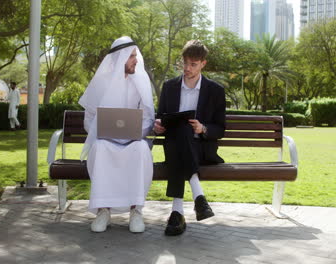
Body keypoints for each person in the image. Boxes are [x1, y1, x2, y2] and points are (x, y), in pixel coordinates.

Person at [78, 36, 155, 233]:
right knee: (101, 148)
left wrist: (137, 131)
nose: (135, 60)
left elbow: (147, 117)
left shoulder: (141, 81)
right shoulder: (101, 83)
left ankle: (135, 210)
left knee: (140, 149)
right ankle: (103, 210)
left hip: (133, 141)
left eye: (135, 56)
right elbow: (89, 119)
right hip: (105, 140)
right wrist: (103, 129)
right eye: (131, 56)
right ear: (118, 58)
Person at [153, 40, 226, 236]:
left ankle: (177, 213)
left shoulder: (215, 91)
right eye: (184, 63)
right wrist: (158, 126)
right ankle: (199, 198)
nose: (187, 68)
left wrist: (203, 128)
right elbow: (161, 117)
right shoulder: (170, 87)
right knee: (181, 131)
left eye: (193, 64)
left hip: (201, 149)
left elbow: (220, 129)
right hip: (176, 145)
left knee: (183, 133)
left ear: (203, 63)